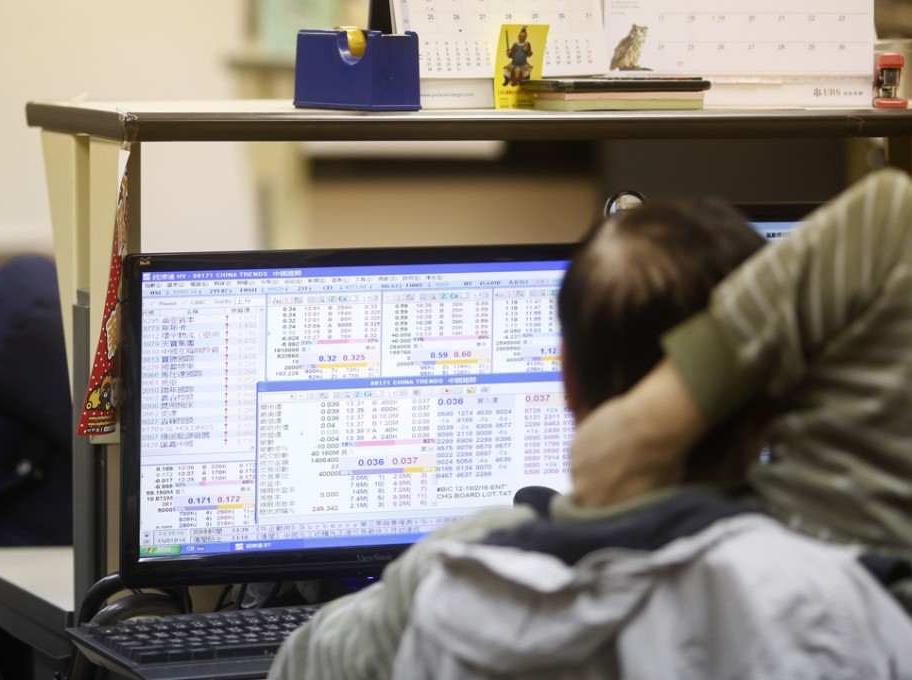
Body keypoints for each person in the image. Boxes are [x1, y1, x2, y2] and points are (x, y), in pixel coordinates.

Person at [269, 170, 912, 680]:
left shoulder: (455, 576)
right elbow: (891, 225)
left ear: (567, 380)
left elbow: (300, 666)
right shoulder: (838, 584)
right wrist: (674, 405)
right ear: (771, 396)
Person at [569, 168, 912, 571]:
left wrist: (639, 432)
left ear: (569, 383)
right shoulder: (849, 575)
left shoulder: (496, 571)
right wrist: (657, 413)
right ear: (770, 405)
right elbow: (892, 221)